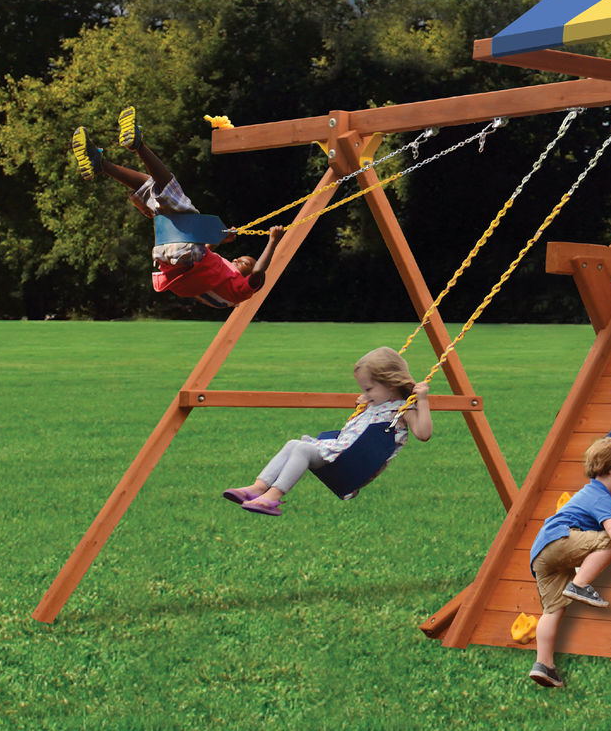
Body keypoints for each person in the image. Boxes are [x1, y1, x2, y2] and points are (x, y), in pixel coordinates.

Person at [71, 107, 283, 308]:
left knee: (171, 190)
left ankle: (137, 145)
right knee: (152, 189)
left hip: (186, 256)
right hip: (170, 255)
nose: (237, 259)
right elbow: (203, 258)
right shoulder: (222, 276)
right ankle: (100, 164)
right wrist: (217, 240)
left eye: (243, 263)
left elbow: (258, 272)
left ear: (247, 274)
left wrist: (273, 241)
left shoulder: (241, 288)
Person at [222, 346, 432, 516]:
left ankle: (273, 497)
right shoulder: (374, 403)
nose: (365, 393)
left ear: (391, 382)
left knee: (303, 449)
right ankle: (258, 487)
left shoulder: (403, 410)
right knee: (293, 444)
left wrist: (422, 400)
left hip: (350, 461)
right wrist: (365, 404)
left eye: (368, 389)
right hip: (338, 452)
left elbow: (423, 434)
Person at [525, 437, 611, 689]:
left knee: (553, 610)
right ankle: (579, 585)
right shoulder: (599, 494)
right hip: (558, 540)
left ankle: (544, 665)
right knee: (608, 541)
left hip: (541, 554)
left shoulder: (587, 492)